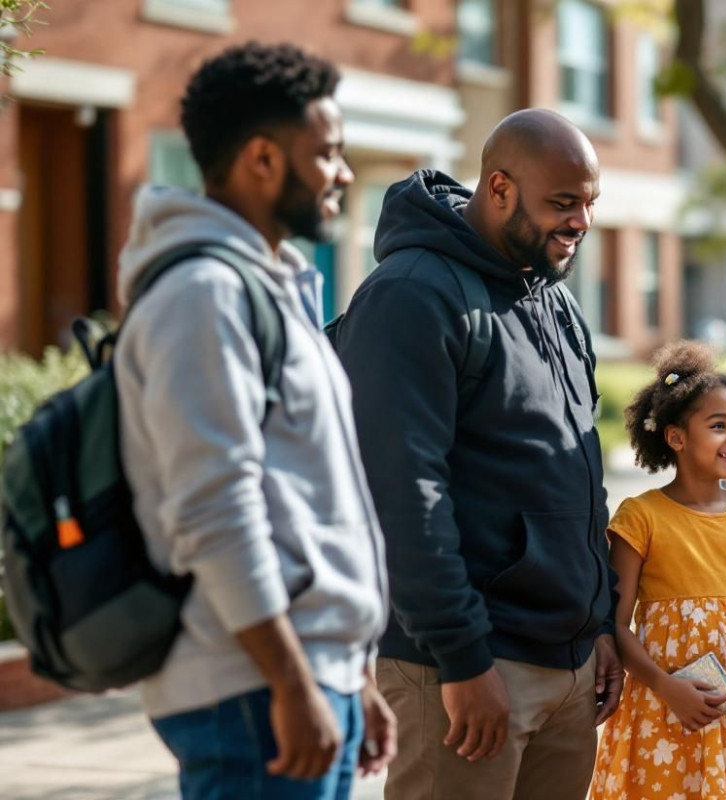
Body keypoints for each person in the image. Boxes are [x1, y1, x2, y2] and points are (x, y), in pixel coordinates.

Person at [114, 42, 394, 798]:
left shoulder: (268, 288)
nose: (341, 172)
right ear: (263, 160)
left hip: (303, 674)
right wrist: (292, 682)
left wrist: (348, 674)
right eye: (328, 154)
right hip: (253, 691)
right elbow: (214, 504)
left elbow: (304, 495)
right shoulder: (202, 295)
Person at [333, 109, 622, 800]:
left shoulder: (556, 301)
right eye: (562, 203)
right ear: (498, 188)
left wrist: (601, 622)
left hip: (568, 662)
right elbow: (404, 496)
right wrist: (461, 661)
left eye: (589, 203)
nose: (582, 220)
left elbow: (581, 470)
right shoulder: (411, 296)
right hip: (466, 669)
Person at [592, 342, 726, 799]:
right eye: (718, 426)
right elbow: (615, 623)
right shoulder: (640, 517)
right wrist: (666, 686)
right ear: (676, 437)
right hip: (662, 709)